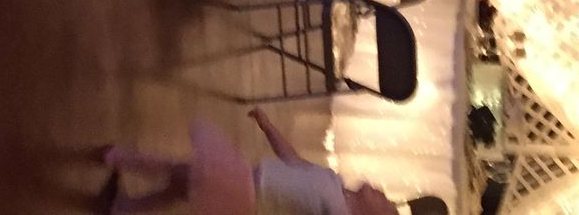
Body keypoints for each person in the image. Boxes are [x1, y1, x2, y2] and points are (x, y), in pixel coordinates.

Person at [99, 109, 394, 215]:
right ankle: (125, 206)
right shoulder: (333, 182)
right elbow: (293, 160)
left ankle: (119, 158)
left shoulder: (338, 211)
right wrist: (268, 128)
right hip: (245, 180)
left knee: (178, 172)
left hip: (246, 195)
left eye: (384, 203)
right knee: (179, 186)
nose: (382, 193)